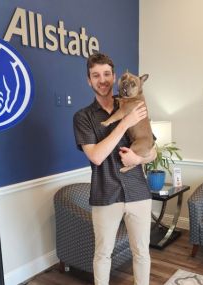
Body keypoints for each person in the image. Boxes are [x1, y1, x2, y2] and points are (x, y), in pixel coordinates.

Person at [73, 52, 156, 285]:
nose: (103, 80)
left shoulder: (136, 105)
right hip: (106, 193)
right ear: (89, 80)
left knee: (141, 253)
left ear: (115, 77)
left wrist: (138, 160)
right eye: (96, 75)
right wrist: (124, 124)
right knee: (102, 254)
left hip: (138, 191)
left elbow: (153, 150)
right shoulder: (83, 117)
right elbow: (97, 157)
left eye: (107, 74)